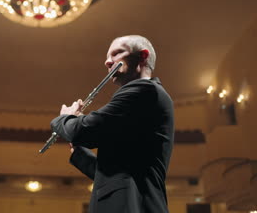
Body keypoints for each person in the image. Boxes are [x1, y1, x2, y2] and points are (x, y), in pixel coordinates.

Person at [51, 35, 174, 213]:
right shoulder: (142, 98)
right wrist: (77, 147)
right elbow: (114, 175)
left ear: (143, 56)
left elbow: (83, 131)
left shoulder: (144, 91)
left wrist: (64, 118)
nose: (107, 62)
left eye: (117, 53)